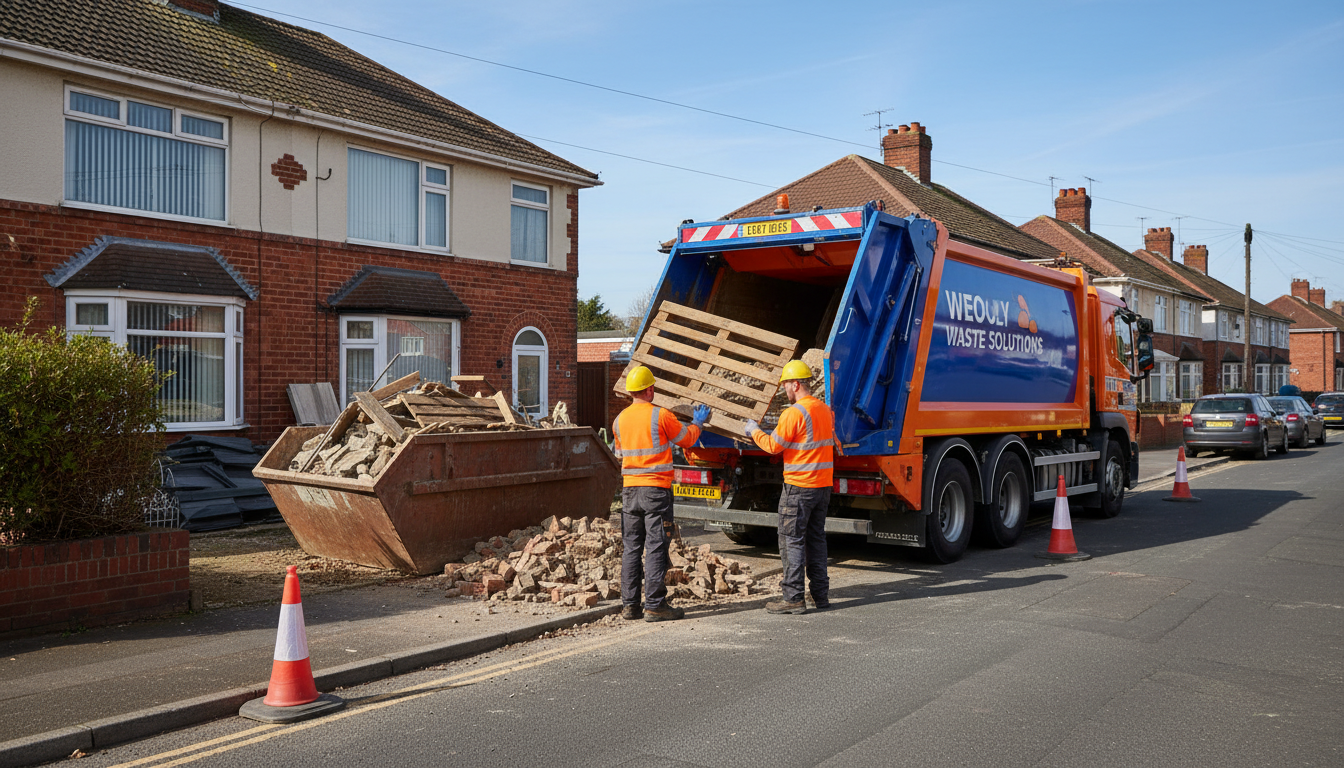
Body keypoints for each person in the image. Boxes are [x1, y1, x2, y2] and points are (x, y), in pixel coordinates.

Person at [612, 365, 712, 622]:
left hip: (630, 491)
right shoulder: (661, 416)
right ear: (649, 389)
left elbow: (621, 454)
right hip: (655, 490)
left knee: (632, 547)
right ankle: (655, 605)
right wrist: (698, 424)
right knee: (656, 545)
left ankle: (630, 606)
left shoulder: (619, 420)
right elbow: (687, 439)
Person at [745, 360, 835, 615]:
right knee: (816, 540)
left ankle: (793, 598)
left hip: (799, 488)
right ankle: (821, 596)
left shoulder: (794, 413)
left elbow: (774, 446)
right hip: (822, 486)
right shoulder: (825, 410)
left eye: (785, 384)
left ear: (796, 384)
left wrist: (754, 431)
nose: (784, 389)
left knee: (791, 541)